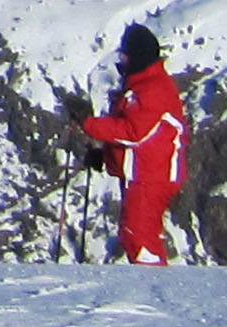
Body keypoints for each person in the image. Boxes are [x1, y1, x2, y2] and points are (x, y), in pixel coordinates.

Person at [72, 23, 186, 264]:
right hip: (143, 173)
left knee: (139, 236)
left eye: (126, 54)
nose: (121, 59)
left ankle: (154, 288)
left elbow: (134, 133)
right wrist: (106, 157)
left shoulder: (152, 89)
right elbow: (136, 135)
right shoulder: (142, 85)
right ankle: (152, 284)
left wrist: (88, 123)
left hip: (150, 176)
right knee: (135, 234)